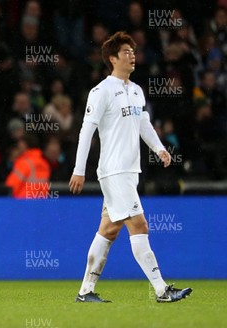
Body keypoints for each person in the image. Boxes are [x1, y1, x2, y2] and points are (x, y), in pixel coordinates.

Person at [69, 31, 192, 303]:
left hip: (130, 171)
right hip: (113, 171)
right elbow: (86, 131)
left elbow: (143, 123)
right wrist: (79, 169)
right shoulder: (101, 92)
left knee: (109, 230)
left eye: (133, 51)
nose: (132, 55)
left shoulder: (136, 90)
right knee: (140, 224)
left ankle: (85, 291)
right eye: (126, 52)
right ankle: (162, 290)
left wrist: (159, 148)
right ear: (112, 59)